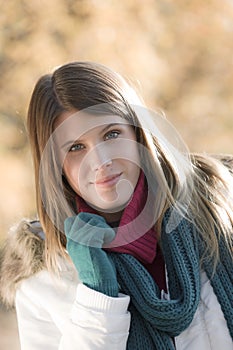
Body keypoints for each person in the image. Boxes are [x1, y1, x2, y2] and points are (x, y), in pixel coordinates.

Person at [0, 61, 232, 350]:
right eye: (75, 147)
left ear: (137, 133)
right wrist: (98, 299)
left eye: (111, 134)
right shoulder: (43, 279)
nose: (100, 162)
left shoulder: (221, 210)